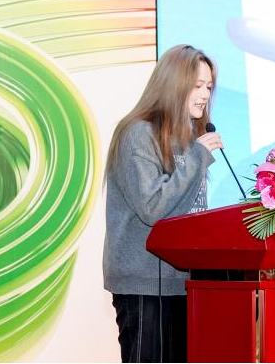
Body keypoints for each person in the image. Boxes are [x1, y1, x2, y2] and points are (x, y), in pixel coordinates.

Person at [102, 44, 223, 363]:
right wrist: (198, 157)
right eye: (197, 86)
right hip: (145, 286)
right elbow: (153, 207)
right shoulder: (138, 134)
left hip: (186, 283)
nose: (204, 95)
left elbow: (190, 212)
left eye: (208, 87)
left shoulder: (188, 138)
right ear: (173, 85)